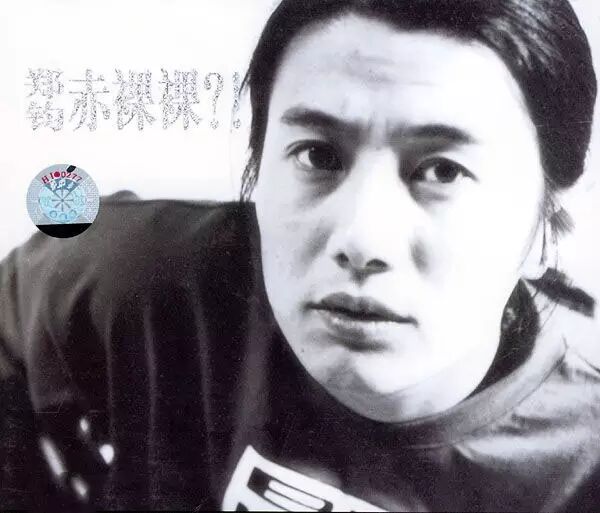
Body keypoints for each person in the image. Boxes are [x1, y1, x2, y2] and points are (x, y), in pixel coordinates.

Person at [1, 0, 599, 511]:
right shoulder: (144, 276)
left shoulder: (584, 459)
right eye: (318, 156)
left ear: (550, 221)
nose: (362, 240)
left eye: (443, 170)